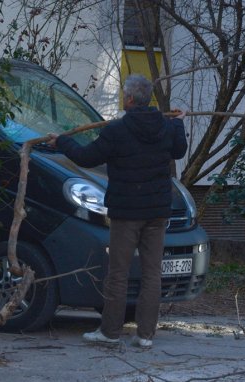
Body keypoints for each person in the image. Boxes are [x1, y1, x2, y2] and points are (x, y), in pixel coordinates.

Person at [47, 74, 187, 348]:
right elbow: (179, 151)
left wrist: (62, 141)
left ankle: (110, 332)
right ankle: (145, 335)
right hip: (158, 212)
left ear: (130, 99)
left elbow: (86, 157)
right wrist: (180, 123)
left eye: (125, 95)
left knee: (119, 273)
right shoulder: (167, 126)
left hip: (126, 212)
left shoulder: (117, 130)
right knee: (152, 273)